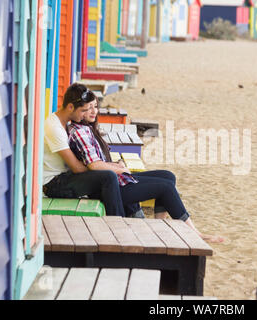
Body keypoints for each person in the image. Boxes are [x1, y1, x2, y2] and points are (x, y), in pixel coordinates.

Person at [67, 84, 224, 243]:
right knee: (166, 188)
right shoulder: (79, 131)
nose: (93, 111)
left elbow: (96, 160)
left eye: (95, 106)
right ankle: (195, 234)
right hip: (110, 188)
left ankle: (158, 226)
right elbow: (93, 165)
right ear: (78, 109)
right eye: (88, 108)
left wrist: (117, 164)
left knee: (168, 176)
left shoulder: (86, 127)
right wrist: (118, 168)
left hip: (117, 179)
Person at [43, 83, 125, 216]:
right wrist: (98, 166)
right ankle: (117, 220)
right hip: (54, 184)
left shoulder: (65, 123)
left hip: (66, 176)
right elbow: (77, 168)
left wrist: (108, 165)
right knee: (108, 177)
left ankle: (123, 213)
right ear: (70, 107)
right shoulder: (54, 128)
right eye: (83, 110)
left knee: (108, 175)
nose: (86, 114)